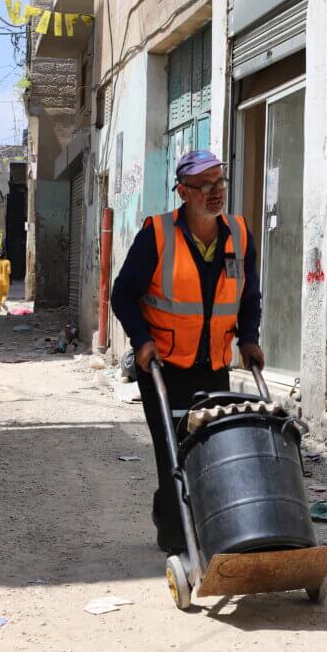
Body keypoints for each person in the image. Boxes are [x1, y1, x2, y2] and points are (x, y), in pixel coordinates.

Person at [111, 149, 264, 555]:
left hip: (213, 366)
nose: (215, 192)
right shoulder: (157, 236)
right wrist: (141, 341)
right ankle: (180, 541)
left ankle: (211, 530)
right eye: (204, 185)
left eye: (220, 183)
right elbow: (123, 295)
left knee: (212, 452)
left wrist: (249, 337)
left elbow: (249, 296)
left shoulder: (240, 234)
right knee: (172, 456)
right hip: (163, 367)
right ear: (183, 191)